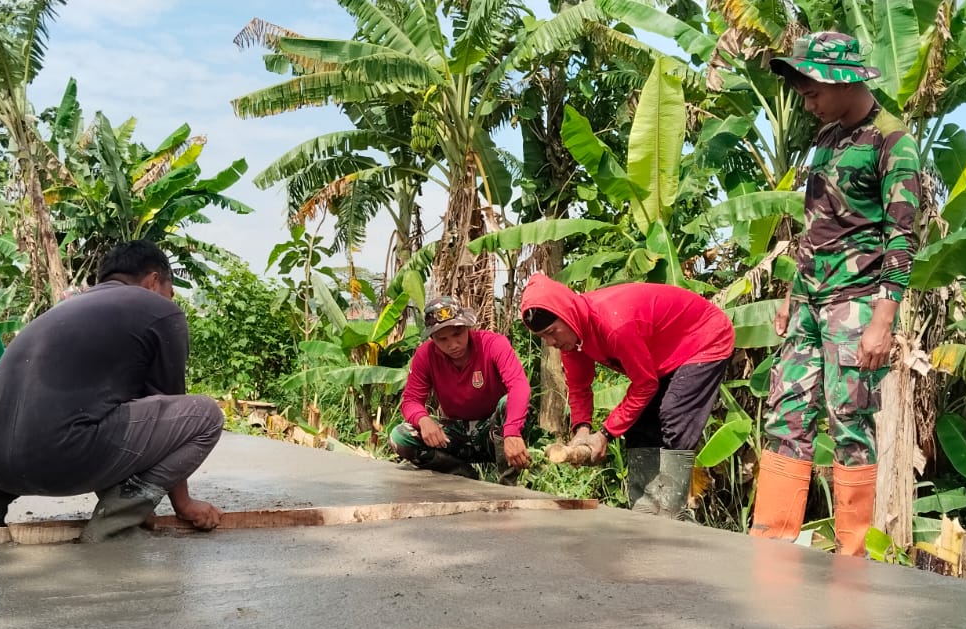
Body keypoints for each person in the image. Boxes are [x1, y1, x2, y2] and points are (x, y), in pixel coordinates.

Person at [752, 32, 921, 555]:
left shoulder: (892, 141)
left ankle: (851, 558)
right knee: (785, 413)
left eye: (813, 92)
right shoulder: (826, 138)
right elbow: (814, 227)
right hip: (809, 299)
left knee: (849, 420)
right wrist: (792, 292)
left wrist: (882, 321)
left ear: (844, 81)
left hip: (858, 301)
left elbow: (902, 237)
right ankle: (770, 547)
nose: (808, 103)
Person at [0, 240, 225, 542]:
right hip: (55, 457)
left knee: (49, 415)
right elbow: (172, 409)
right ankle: (115, 521)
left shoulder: (65, 308)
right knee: (206, 417)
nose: (170, 300)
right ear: (153, 280)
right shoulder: (160, 310)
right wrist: (183, 503)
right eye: (170, 291)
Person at [519, 274, 735, 519]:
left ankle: (672, 512)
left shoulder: (614, 324)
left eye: (552, 332)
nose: (551, 342)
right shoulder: (573, 336)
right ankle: (644, 511)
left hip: (704, 339)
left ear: (567, 315)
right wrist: (582, 431)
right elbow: (579, 387)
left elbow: (645, 384)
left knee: (674, 417)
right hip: (663, 355)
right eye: (543, 337)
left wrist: (604, 434)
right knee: (639, 423)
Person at [390, 297, 532, 484]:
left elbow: (519, 387)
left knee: (509, 403)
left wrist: (512, 431)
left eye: (457, 334)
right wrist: (423, 420)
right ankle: (460, 472)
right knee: (400, 437)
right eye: (443, 339)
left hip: (493, 431)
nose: (453, 344)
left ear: (467, 327)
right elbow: (411, 400)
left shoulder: (493, 344)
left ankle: (508, 484)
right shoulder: (425, 355)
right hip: (455, 433)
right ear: (432, 338)